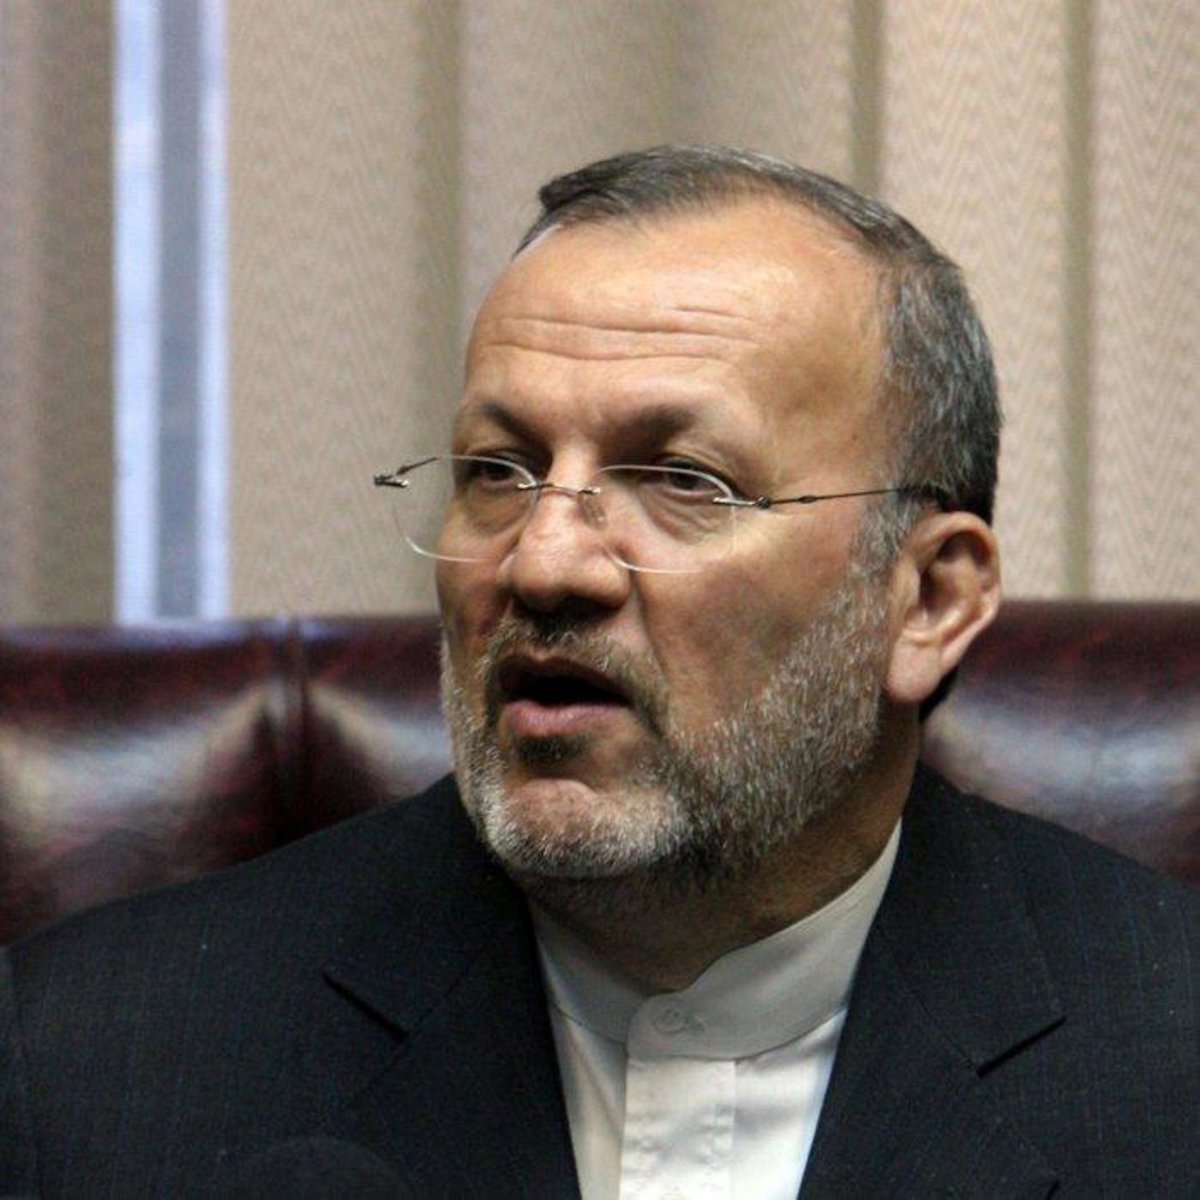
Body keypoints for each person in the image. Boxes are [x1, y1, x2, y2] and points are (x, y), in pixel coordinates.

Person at [1, 147, 1196, 1198]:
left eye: (684, 480)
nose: (545, 562)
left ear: (928, 599)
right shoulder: (90, 1064)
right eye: (498, 470)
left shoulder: (1165, 1063)